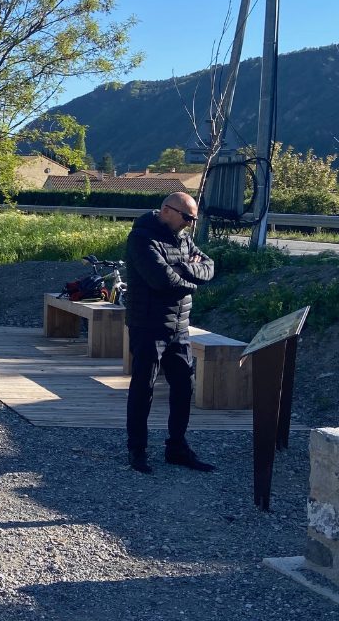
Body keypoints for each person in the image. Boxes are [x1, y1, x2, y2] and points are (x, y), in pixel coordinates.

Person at [123, 191, 214, 474]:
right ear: (167, 211)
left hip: (180, 326)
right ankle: (137, 449)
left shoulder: (183, 238)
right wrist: (191, 279)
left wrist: (182, 269)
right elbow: (161, 280)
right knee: (144, 387)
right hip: (148, 325)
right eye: (187, 217)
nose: (190, 223)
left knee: (185, 386)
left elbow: (210, 267)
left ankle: (177, 447)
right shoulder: (141, 239)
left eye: (193, 219)